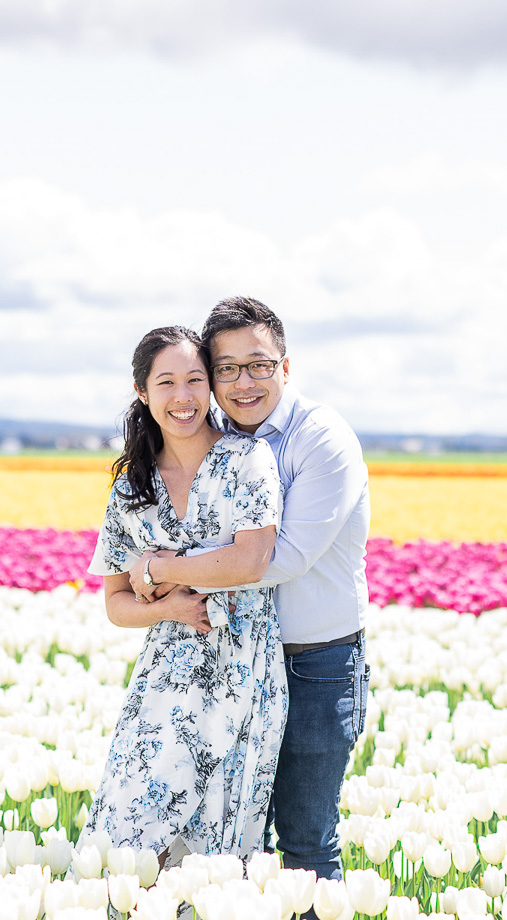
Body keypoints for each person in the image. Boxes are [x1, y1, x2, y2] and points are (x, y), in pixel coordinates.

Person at [132, 298, 369, 882]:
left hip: (312, 662)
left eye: (259, 365)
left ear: (286, 368)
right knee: (226, 838)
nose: (244, 382)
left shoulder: (322, 440)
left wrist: (161, 569)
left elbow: (276, 559)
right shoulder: (205, 450)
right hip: (223, 661)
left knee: (306, 841)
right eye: (227, 369)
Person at [82, 325, 286, 863]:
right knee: (130, 824)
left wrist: (165, 569)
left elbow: (251, 558)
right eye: (167, 382)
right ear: (143, 393)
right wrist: (168, 602)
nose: (183, 397)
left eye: (195, 380)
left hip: (241, 672)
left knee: (217, 835)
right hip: (163, 680)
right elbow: (115, 602)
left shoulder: (248, 459)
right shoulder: (132, 486)